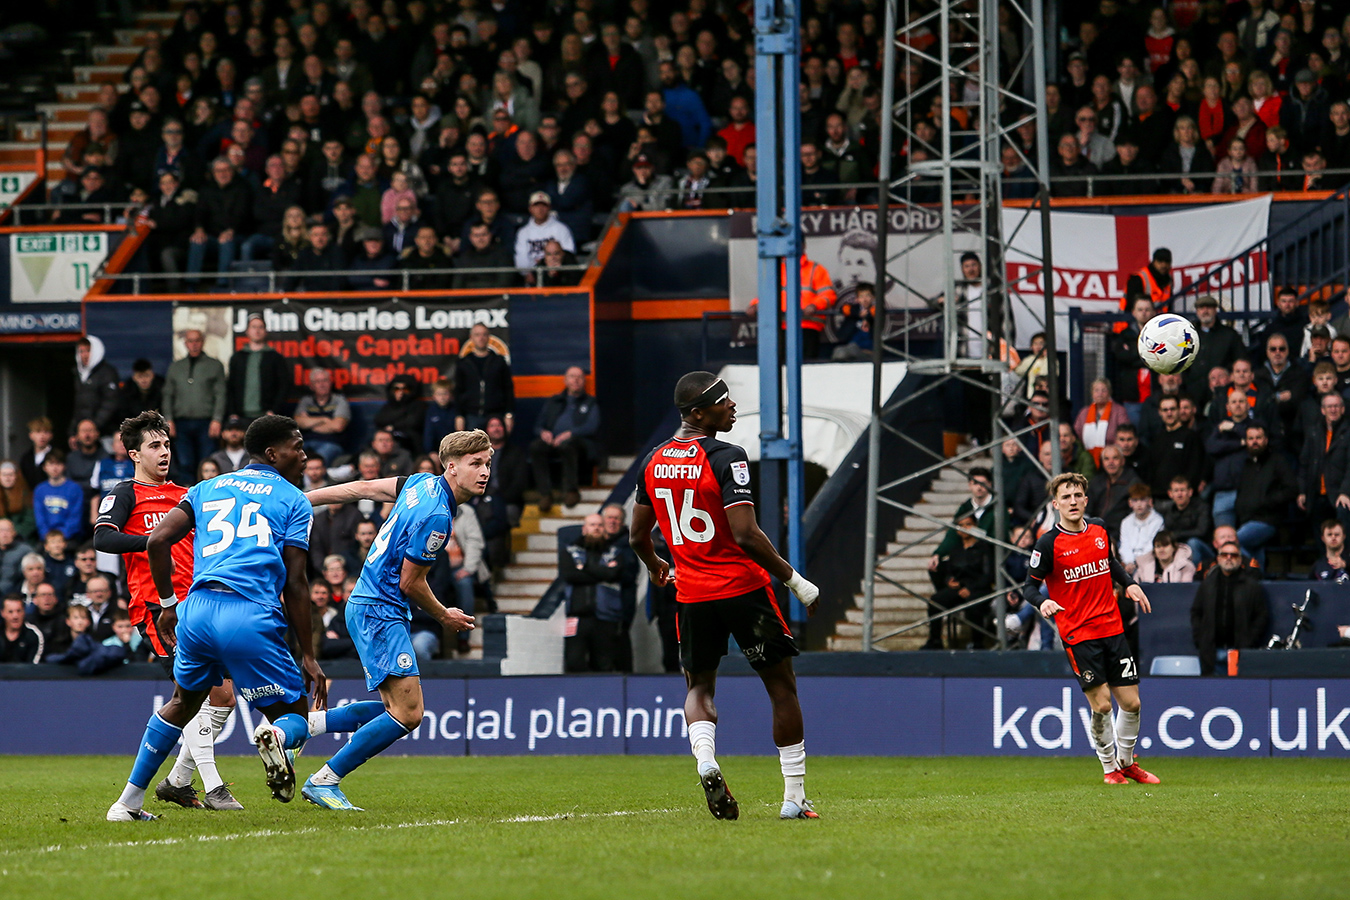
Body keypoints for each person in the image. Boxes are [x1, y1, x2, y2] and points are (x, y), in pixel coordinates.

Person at [106, 415, 325, 821]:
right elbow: (296, 583)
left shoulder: (206, 487)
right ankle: (274, 735)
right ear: (273, 454)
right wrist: (308, 654)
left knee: (182, 703)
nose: (304, 456)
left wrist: (169, 605)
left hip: (196, 611)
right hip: (249, 612)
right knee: (294, 715)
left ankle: (127, 803)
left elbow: (157, 540)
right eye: (297, 447)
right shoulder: (294, 500)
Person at [630, 371, 822, 821]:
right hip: (743, 590)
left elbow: (638, 536)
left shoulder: (653, 460)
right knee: (781, 687)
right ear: (698, 414)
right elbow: (746, 534)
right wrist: (796, 581)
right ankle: (794, 797)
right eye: (723, 401)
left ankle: (706, 760)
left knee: (699, 686)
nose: (732, 405)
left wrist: (656, 565)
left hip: (691, 595)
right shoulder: (727, 456)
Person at [297, 430, 484, 810]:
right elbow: (410, 583)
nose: (485, 472)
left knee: (395, 709)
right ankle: (324, 780)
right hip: (380, 610)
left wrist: (303, 499)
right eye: (476, 463)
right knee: (409, 713)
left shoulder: (420, 483)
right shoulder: (437, 517)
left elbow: (361, 488)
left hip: (369, 605)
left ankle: (303, 727)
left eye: (488, 463)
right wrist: (444, 615)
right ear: (452, 467)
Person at [93, 411, 242, 811]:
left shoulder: (188, 494)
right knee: (191, 696)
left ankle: (177, 781)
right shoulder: (125, 493)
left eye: (167, 444)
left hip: (202, 606)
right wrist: (153, 541)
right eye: (154, 446)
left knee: (223, 697)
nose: (164, 452)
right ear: (134, 454)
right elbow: (103, 538)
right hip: (159, 609)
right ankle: (213, 787)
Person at [1023, 472, 1158, 785]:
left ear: (1085, 499)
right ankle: (1110, 768)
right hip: (1079, 634)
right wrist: (1042, 602)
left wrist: (1129, 584)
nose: (1072, 502)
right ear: (1055, 504)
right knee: (1103, 705)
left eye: (1077, 496)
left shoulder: (1098, 528)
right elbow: (1029, 587)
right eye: (1066, 497)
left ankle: (1127, 762)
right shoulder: (1048, 543)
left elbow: (1109, 562)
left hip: (1112, 628)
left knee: (1132, 703)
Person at [561, 513, 634, 671]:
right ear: (584, 529)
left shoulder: (615, 552)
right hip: (576, 616)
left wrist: (584, 568)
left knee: (604, 664)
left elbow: (613, 574)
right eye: (592, 525)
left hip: (606, 617)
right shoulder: (570, 551)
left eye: (600, 525)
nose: (596, 528)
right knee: (573, 661)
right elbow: (569, 575)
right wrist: (602, 573)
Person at [1189, 541, 1269, 676]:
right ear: (1218, 558)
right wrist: (1201, 639)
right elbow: (1196, 612)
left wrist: (1249, 641)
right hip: (1211, 653)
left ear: (1240, 559)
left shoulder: (1252, 586)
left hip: (1241, 653)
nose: (1229, 558)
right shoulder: (1207, 584)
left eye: (1233, 555)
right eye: (1224, 554)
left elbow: (1261, 616)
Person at [529, 366, 601, 511]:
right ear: (565, 380)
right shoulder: (554, 401)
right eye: (572, 376)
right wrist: (543, 433)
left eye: (580, 377)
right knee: (536, 447)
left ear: (584, 381)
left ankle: (570, 491)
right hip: (553, 441)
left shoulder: (590, 402)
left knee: (568, 446)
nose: (576, 380)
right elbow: (538, 425)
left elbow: (592, 427)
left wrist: (571, 433)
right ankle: (545, 494)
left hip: (579, 443)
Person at [163, 329, 228, 484]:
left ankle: (209, 493)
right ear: (185, 343)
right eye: (190, 341)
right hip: (181, 422)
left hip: (206, 422)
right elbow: (168, 395)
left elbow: (220, 395)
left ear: (203, 342)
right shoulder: (175, 367)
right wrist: (168, 419)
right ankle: (188, 494)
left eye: (197, 340)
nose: (194, 344)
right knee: (184, 463)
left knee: (208, 462)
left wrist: (217, 419)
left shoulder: (214, 365)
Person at [925, 511, 995, 650]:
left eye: (968, 524)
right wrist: (949, 581)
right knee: (935, 601)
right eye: (961, 525)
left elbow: (988, 575)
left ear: (975, 526)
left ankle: (977, 642)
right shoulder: (955, 549)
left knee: (974, 605)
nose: (964, 528)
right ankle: (935, 640)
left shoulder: (984, 548)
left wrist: (970, 588)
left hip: (978, 588)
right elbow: (950, 570)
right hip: (959, 587)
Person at [1233, 424, 1298, 567]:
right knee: (1255, 553)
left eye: (1258, 438)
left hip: (1267, 520)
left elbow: (1292, 489)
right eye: (1251, 438)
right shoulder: (1246, 464)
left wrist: (1268, 501)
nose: (1254, 442)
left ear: (1266, 440)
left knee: (1232, 543)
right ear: (1246, 441)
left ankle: (1252, 573)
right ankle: (1258, 577)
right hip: (1246, 520)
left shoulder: (1278, 461)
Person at [1298, 391, 1350, 531]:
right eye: (1329, 406)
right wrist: (1302, 491)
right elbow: (1304, 464)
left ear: (1343, 409)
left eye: (1336, 406)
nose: (1333, 410)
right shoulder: (1313, 432)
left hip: (1340, 495)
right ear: (1322, 410)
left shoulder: (1348, 433)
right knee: (1319, 536)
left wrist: (1345, 492)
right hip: (1316, 495)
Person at [227, 315, 290, 421]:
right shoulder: (237, 358)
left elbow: (284, 386)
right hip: (240, 416)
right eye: (253, 327)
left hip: (267, 416)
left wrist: (274, 410)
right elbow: (230, 387)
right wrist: (232, 412)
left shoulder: (275, 357)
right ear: (247, 331)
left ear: (265, 332)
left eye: (260, 327)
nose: (257, 330)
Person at [453, 324, 515, 432]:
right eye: (477, 335)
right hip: (471, 415)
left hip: (496, 415)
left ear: (488, 337)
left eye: (484, 334)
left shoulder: (499, 361)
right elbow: (458, 390)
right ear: (471, 337)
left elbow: (508, 388)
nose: (481, 338)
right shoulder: (463, 363)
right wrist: (459, 415)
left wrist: (509, 414)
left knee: (496, 443)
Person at [292, 367, 352, 465]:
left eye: (325, 381)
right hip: (306, 442)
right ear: (311, 386)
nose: (322, 384)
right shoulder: (306, 401)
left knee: (317, 461)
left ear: (330, 383)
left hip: (331, 443)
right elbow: (298, 422)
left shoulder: (339, 400)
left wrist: (310, 424)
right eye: (318, 382)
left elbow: (338, 426)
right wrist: (324, 419)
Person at [71, 337, 122, 442]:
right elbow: (78, 407)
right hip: (85, 435)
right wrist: (73, 431)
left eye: (88, 351)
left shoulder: (108, 373)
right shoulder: (78, 374)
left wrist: (94, 425)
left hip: (106, 434)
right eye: (81, 351)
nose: (84, 355)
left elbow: (111, 402)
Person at [1158, 476, 1214, 566]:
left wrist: (1176, 535)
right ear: (1170, 494)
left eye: (1182, 490)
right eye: (1176, 491)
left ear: (1190, 492)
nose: (1179, 494)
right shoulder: (1169, 511)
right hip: (1179, 547)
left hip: (1202, 549)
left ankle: (1193, 573)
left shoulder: (1202, 507)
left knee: (1193, 542)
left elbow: (1201, 531)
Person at [1074, 379, 1131, 467]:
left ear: (1109, 392)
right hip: (1088, 458)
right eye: (1096, 390)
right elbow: (1077, 432)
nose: (1100, 393)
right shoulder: (1084, 412)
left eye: (1103, 390)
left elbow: (1124, 433)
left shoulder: (1119, 410)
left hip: (1112, 458)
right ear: (1092, 393)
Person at [33, 452, 86, 542]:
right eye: (51, 464)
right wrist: (48, 537)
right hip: (47, 539)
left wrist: (61, 537)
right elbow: (40, 518)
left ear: (64, 466)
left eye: (58, 464)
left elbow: (75, 517)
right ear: (44, 467)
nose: (54, 468)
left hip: (70, 538)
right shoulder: (39, 490)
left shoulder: (75, 489)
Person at [1119, 483, 1166, 573]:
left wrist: (1137, 562)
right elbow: (1125, 545)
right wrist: (1129, 562)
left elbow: (1151, 546)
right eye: (1135, 500)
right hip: (1129, 564)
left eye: (1142, 500)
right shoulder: (1126, 522)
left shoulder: (1158, 521)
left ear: (1149, 501)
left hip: (1149, 562)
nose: (1139, 504)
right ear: (1130, 503)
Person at [1, 595, 43, 663]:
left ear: (24, 612)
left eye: (19, 611)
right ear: (2, 613)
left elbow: (33, 666)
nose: (15, 616)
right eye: (10, 612)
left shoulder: (34, 635)